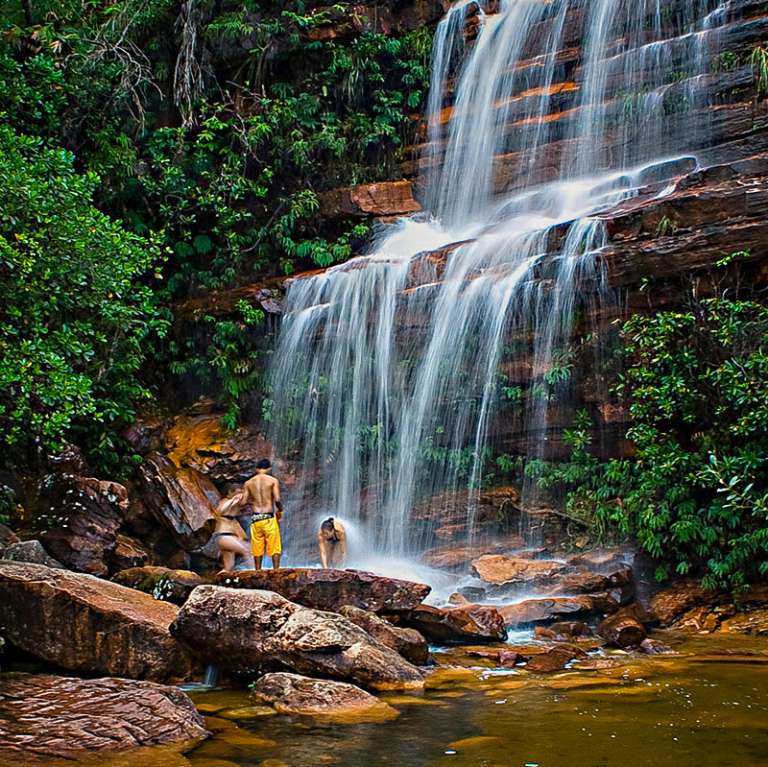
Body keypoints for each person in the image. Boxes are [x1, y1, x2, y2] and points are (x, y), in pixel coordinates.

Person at [243, 458, 283, 569]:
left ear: (257, 469)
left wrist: (253, 502)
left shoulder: (248, 483)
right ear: (269, 468)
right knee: (275, 546)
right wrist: (280, 510)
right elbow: (278, 499)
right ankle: (276, 571)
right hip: (268, 518)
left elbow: (243, 502)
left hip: (256, 519)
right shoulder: (273, 481)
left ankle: (257, 571)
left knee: (257, 547)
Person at [213, 490, 253, 572]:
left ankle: (217, 581)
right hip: (223, 536)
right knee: (247, 550)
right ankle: (255, 573)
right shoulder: (225, 501)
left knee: (228, 568)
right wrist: (233, 500)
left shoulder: (237, 508)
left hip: (229, 536)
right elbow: (219, 511)